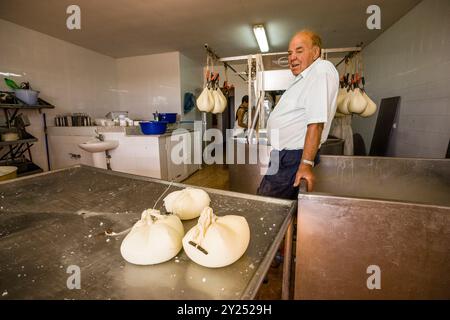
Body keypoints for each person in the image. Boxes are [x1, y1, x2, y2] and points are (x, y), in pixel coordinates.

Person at [257, 30, 339, 199]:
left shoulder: (321, 69)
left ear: (315, 52)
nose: (292, 57)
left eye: (299, 51)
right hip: (283, 155)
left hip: (293, 157)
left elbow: (316, 122)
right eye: (290, 53)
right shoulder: (304, 78)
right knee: (278, 205)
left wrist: (306, 163)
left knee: (270, 206)